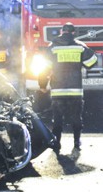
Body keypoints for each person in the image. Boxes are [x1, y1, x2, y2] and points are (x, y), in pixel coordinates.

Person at [41, 22, 97, 153]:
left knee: (57, 118)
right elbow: (92, 62)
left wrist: (42, 85)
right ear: (73, 33)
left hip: (58, 90)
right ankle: (77, 143)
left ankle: (57, 143)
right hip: (75, 89)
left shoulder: (52, 47)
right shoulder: (79, 46)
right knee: (76, 117)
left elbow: (43, 68)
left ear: (61, 32)